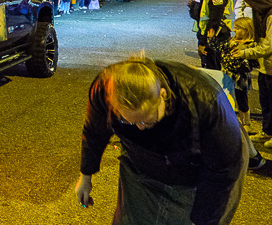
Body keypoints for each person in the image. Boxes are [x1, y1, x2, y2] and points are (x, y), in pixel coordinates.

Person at [75, 56, 247, 224]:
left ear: (163, 94)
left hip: (200, 168)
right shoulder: (106, 88)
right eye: (129, 121)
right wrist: (86, 176)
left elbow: (222, 172)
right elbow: (94, 131)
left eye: (147, 121)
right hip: (142, 164)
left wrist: (204, 219)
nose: (140, 128)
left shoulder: (206, 103)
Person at [232, 0, 272, 147]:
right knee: (265, 103)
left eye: (248, 2)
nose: (247, 5)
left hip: (270, 68)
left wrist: (245, 53)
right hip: (264, 67)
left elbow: (268, 46)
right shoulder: (261, 15)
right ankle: (267, 132)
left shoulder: (271, 16)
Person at [188, 0, 233, 70]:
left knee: (215, 68)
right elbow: (201, 14)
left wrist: (204, 43)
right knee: (208, 66)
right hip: (206, 34)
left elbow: (214, 20)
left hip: (216, 37)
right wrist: (193, 6)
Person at [225, 17, 255, 129]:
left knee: (242, 98)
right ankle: (230, 121)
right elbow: (222, 51)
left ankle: (246, 123)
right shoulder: (232, 41)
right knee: (228, 96)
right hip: (229, 74)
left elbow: (252, 62)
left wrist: (240, 62)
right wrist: (211, 40)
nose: (234, 30)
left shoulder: (249, 44)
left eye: (238, 28)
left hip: (241, 76)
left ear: (246, 30)